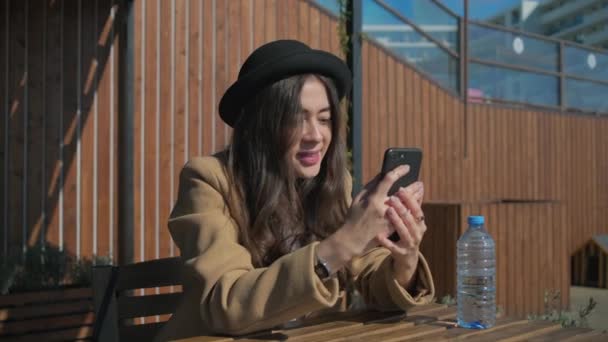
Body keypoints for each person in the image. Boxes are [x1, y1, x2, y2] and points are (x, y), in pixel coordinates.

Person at [155, 39, 435, 341]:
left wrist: (403, 258)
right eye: (295, 119)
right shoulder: (209, 179)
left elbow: (375, 284)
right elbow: (226, 305)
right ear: (260, 124)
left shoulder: (333, 182)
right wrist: (345, 242)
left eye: (325, 119)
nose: (316, 136)